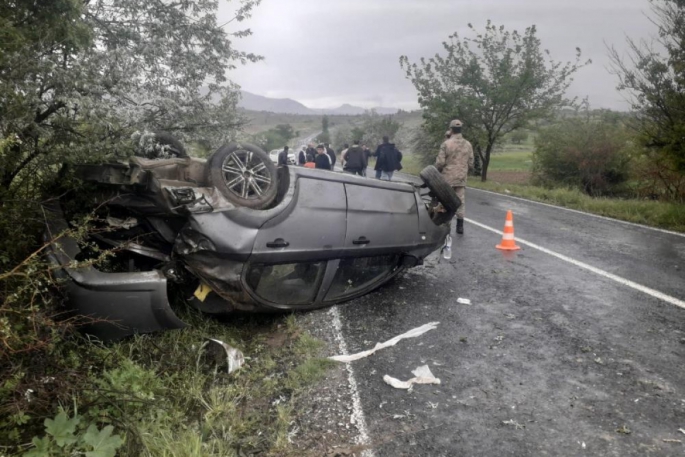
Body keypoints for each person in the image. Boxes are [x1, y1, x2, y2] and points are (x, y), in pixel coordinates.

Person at [435, 119, 474, 235]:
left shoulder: (446, 144)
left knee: (445, 201)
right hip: (461, 178)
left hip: (447, 178)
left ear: (451, 130)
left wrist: (437, 172)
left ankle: (445, 226)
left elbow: (440, 163)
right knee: (460, 202)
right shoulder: (468, 144)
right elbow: (471, 163)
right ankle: (460, 226)